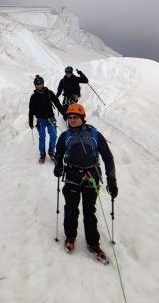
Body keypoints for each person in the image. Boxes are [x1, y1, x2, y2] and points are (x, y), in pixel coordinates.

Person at [53, 103, 117, 263]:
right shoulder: (65, 136)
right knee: (71, 210)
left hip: (91, 178)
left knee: (90, 212)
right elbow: (59, 153)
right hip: (72, 178)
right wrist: (58, 166)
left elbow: (108, 158)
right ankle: (70, 236)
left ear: (82, 118)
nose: (72, 120)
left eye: (75, 117)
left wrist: (112, 180)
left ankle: (93, 243)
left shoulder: (95, 134)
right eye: (69, 118)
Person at [29, 74, 65, 163]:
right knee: (42, 138)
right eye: (37, 84)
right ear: (35, 85)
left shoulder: (49, 93)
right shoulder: (33, 97)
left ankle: (51, 151)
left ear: (43, 83)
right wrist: (31, 121)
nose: (39, 85)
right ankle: (42, 155)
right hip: (40, 120)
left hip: (50, 119)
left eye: (40, 83)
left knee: (53, 136)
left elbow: (57, 103)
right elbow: (31, 110)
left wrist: (64, 113)